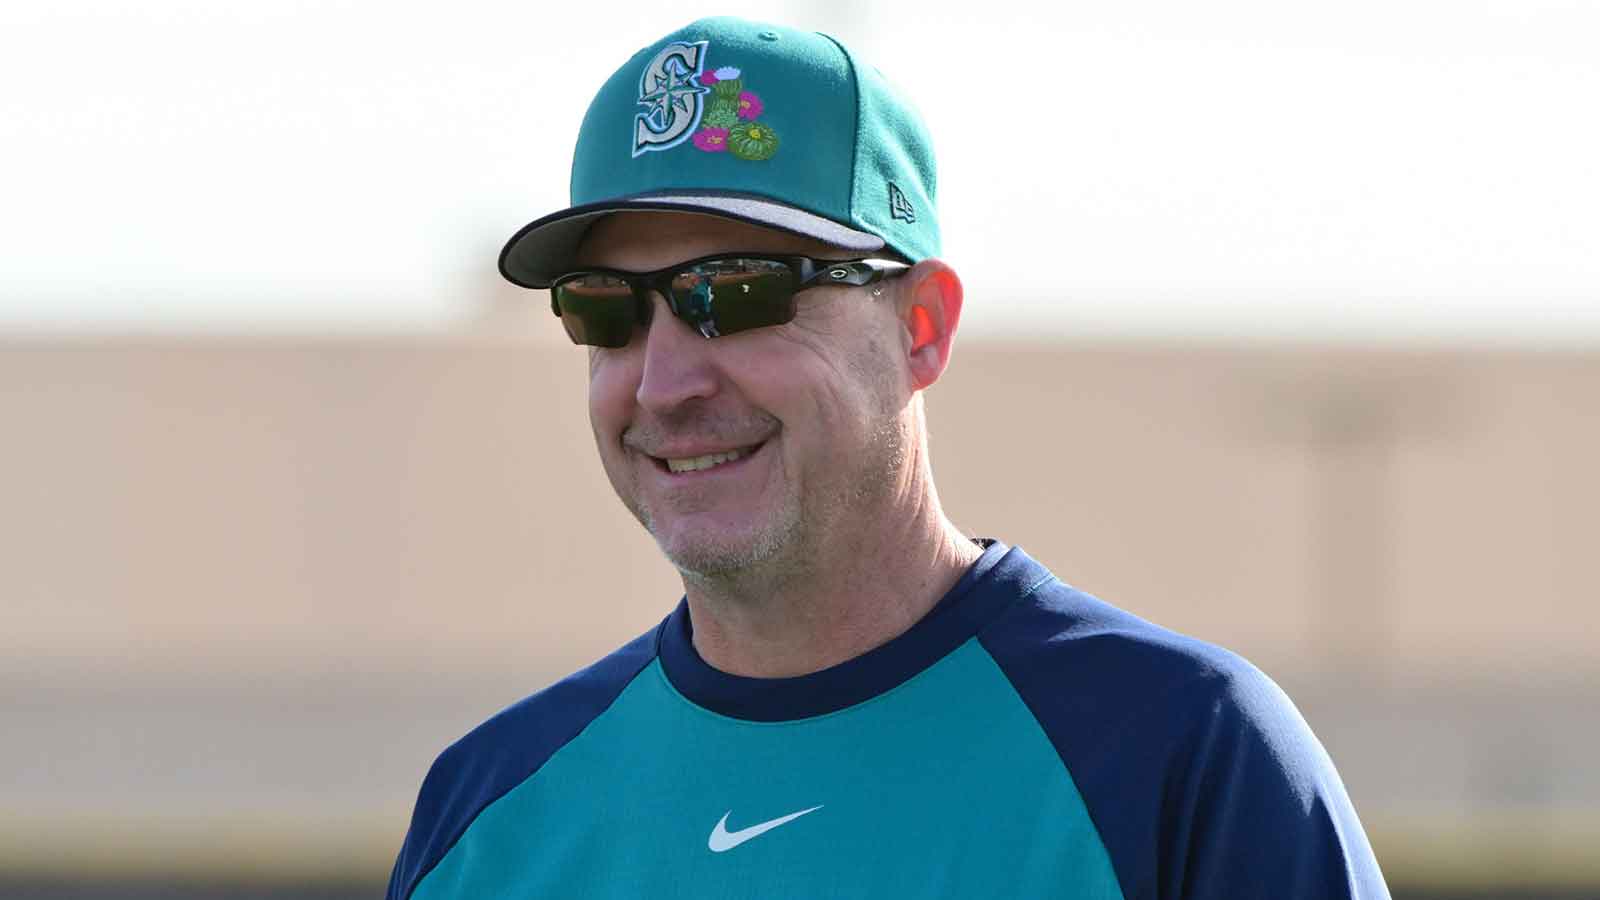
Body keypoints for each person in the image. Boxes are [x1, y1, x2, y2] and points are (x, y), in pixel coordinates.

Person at [387, 16, 1389, 899]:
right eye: (605, 309)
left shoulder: (1179, 753)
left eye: (735, 293)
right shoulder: (491, 811)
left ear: (920, 327)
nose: (662, 384)